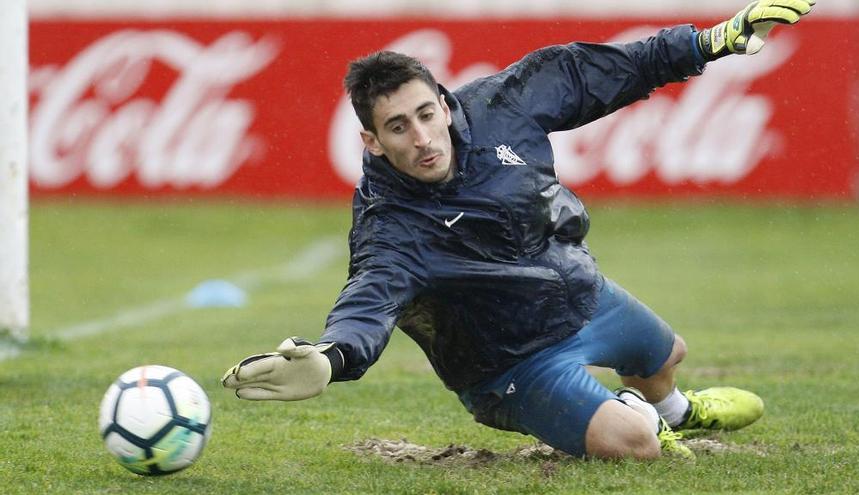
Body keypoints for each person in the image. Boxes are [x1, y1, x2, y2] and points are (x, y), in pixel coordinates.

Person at [222, 0, 815, 460]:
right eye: (398, 128)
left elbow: (608, 73)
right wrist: (333, 356)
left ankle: (677, 410)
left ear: (445, 104)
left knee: (666, 354)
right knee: (635, 447)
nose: (423, 138)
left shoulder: (502, 104)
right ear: (371, 142)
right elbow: (368, 303)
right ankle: (648, 422)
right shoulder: (391, 229)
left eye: (427, 115)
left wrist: (708, 41)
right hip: (508, 365)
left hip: (576, 296)